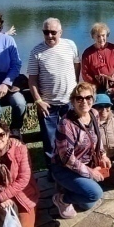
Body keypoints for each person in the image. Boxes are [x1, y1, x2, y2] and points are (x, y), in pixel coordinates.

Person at [51, 82, 109, 219]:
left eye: (88, 98)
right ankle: (61, 199)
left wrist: (103, 155)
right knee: (94, 194)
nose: (84, 102)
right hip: (63, 168)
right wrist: (90, 173)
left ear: (93, 99)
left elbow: (97, 139)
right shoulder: (66, 124)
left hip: (84, 164)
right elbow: (67, 159)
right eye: (79, 98)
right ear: (73, 101)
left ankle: (69, 187)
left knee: (87, 203)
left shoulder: (94, 114)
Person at [28, 18, 80, 167]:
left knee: (72, 138)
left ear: (60, 32)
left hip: (69, 103)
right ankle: (53, 172)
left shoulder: (70, 45)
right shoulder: (36, 52)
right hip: (48, 106)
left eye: (53, 32)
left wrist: (74, 88)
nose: (49, 35)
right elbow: (32, 80)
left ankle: (72, 168)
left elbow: (77, 67)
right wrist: (38, 101)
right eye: (46, 32)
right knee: (50, 142)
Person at [81, 23, 114, 114]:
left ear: (106, 35)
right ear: (93, 37)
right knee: (100, 116)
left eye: (103, 35)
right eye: (98, 36)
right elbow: (85, 73)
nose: (101, 39)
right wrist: (96, 85)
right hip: (98, 90)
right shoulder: (87, 53)